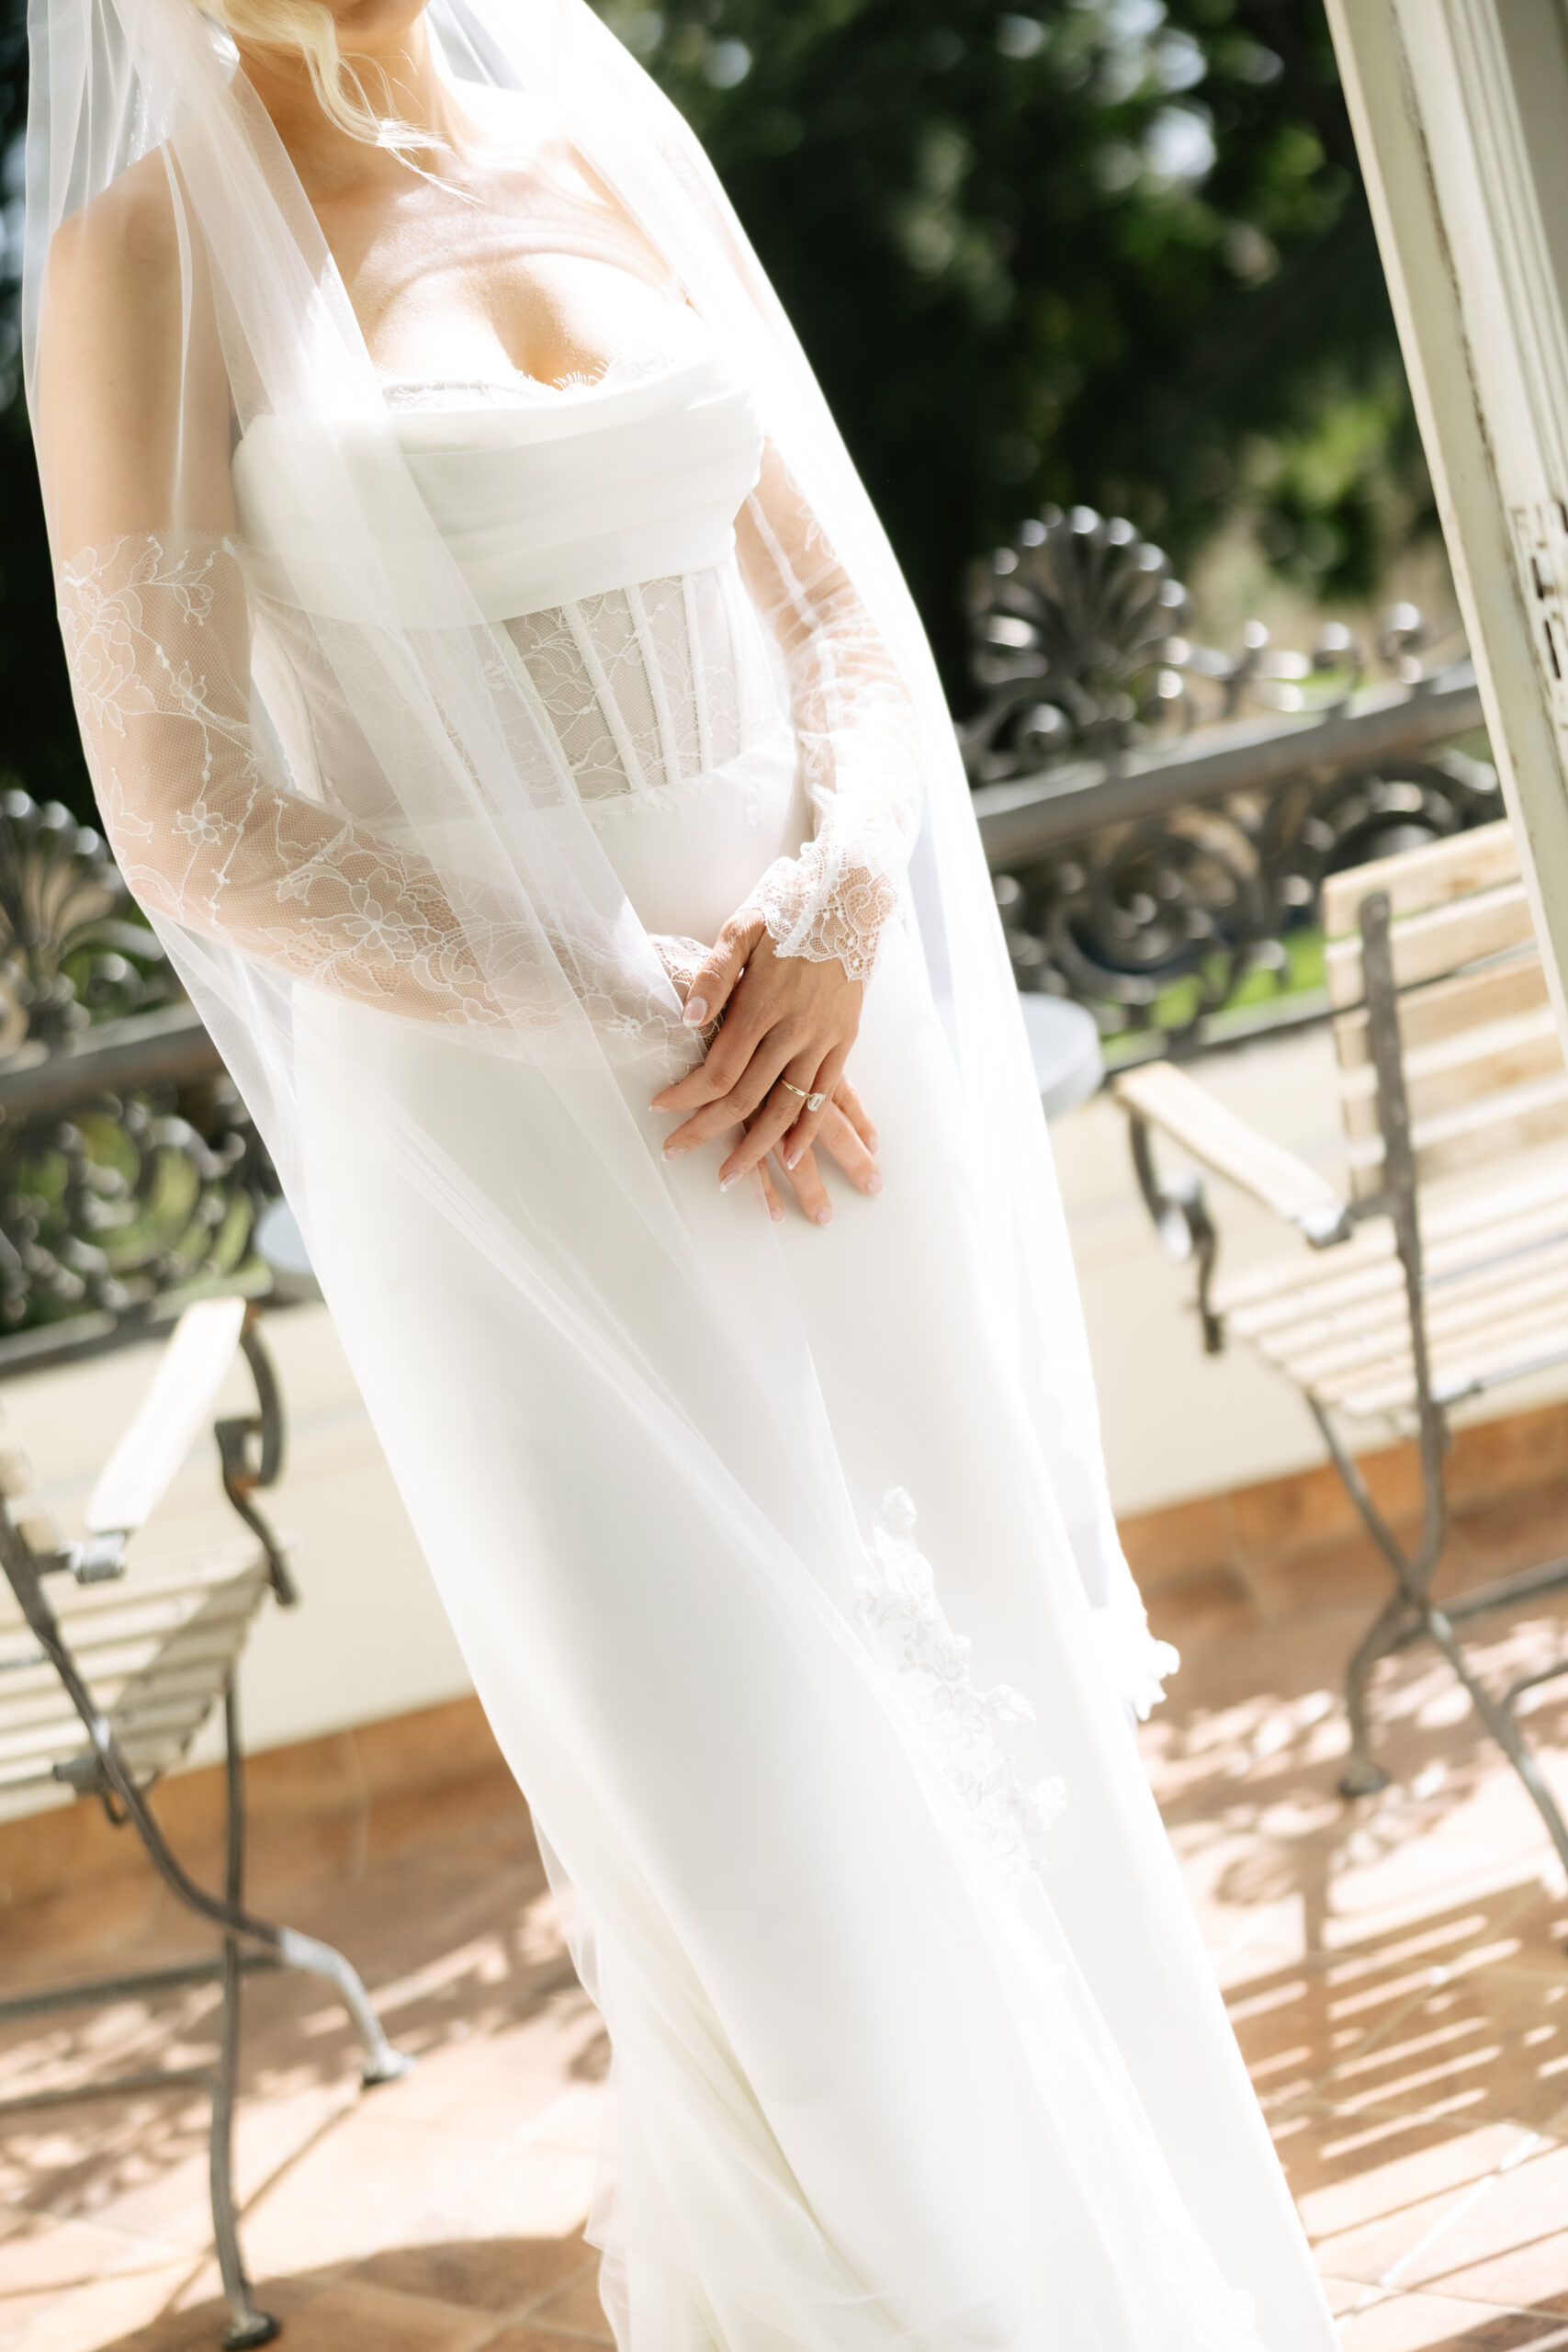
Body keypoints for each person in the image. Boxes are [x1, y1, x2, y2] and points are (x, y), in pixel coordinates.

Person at [25, 0, 1337, 2343]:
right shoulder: (144, 261)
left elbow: (832, 612)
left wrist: (832, 918)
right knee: (759, 1811)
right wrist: (638, 1002)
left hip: (838, 1083)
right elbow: (184, 803)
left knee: (1002, 1727)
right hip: (518, 1135)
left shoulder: (592, 160)